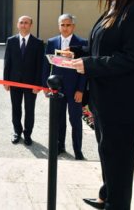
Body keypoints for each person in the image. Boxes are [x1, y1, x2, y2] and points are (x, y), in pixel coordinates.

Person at [69, 0, 134, 209]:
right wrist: (75, 53)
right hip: (104, 101)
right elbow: (101, 46)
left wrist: (90, 65)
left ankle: (116, 204)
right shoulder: (115, 8)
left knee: (119, 163)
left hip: (122, 105)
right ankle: (106, 196)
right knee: (107, 155)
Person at [42, 13, 87, 160]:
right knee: (59, 120)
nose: (65, 28)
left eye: (68, 25)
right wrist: (45, 85)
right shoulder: (52, 42)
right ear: (59, 26)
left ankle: (78, 150)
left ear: (73, 26)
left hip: (74, 89)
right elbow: (46, 66)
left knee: (75, 120)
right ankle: (60, 146)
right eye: (62, 25)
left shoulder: (82, 43)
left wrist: (81, 89)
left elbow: (84, 69)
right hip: (57, 89)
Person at [3, 15, 44, 146]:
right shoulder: (11, 41)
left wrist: (38, 84)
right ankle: (17, 132)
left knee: (29, 110)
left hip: (31, 83)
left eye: (26, 23)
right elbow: (7, 62)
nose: (23, 25)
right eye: (21, 22)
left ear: (31, 25)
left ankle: (27, 134)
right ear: (17, 25)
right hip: (14, 82)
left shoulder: (38, 43)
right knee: (16, 108)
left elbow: (40, 66)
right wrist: (6, 81)